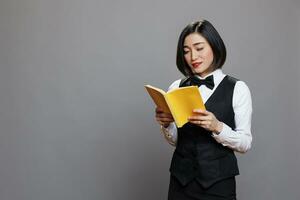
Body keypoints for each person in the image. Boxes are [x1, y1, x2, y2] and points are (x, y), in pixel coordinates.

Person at [155, 19, 252, 200]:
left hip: (218, 185)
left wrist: (218, 127)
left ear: (214, 47)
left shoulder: (238, 88)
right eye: (186, 51)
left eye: (199, 48)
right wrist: (167, 125)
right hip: (180, 183)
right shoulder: (176, 86)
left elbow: (245, 143)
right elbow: (177, 140)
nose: (193, 57)